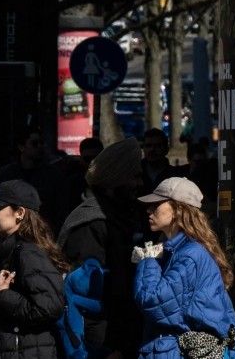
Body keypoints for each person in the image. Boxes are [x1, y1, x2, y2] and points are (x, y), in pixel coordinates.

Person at [132, 177, 235, 359]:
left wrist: (148, 260)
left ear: (178, 210)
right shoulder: (181, 251)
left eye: (156, 204)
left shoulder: (190, 255)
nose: (149, 210)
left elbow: (154, 302)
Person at [58, 137, 146, 358]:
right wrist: (106, 349)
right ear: (116, 180)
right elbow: (84, 297)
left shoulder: (124, 215)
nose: (140, 184)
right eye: (134, 177)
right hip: (103, 342)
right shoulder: (91, 222)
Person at [0, 179, 69, 359]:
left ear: (19, 213)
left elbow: (48, 308)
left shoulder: (28, 253)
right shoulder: (11, 252)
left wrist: (4, 296)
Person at [0, 128, 63, 228]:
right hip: (14, 229)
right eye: (34, 143)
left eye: (41, 142)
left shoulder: (53, 174)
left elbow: (59, 209)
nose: (40, 147)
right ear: (21, 147)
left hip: (42, 231)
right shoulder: (7, 173)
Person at [140, 130, 188, 194]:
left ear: (166, 149)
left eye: (157, 146)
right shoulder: (135, 174)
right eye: (148, 146)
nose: (152, 149)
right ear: (143, 148)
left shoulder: (176, 176)